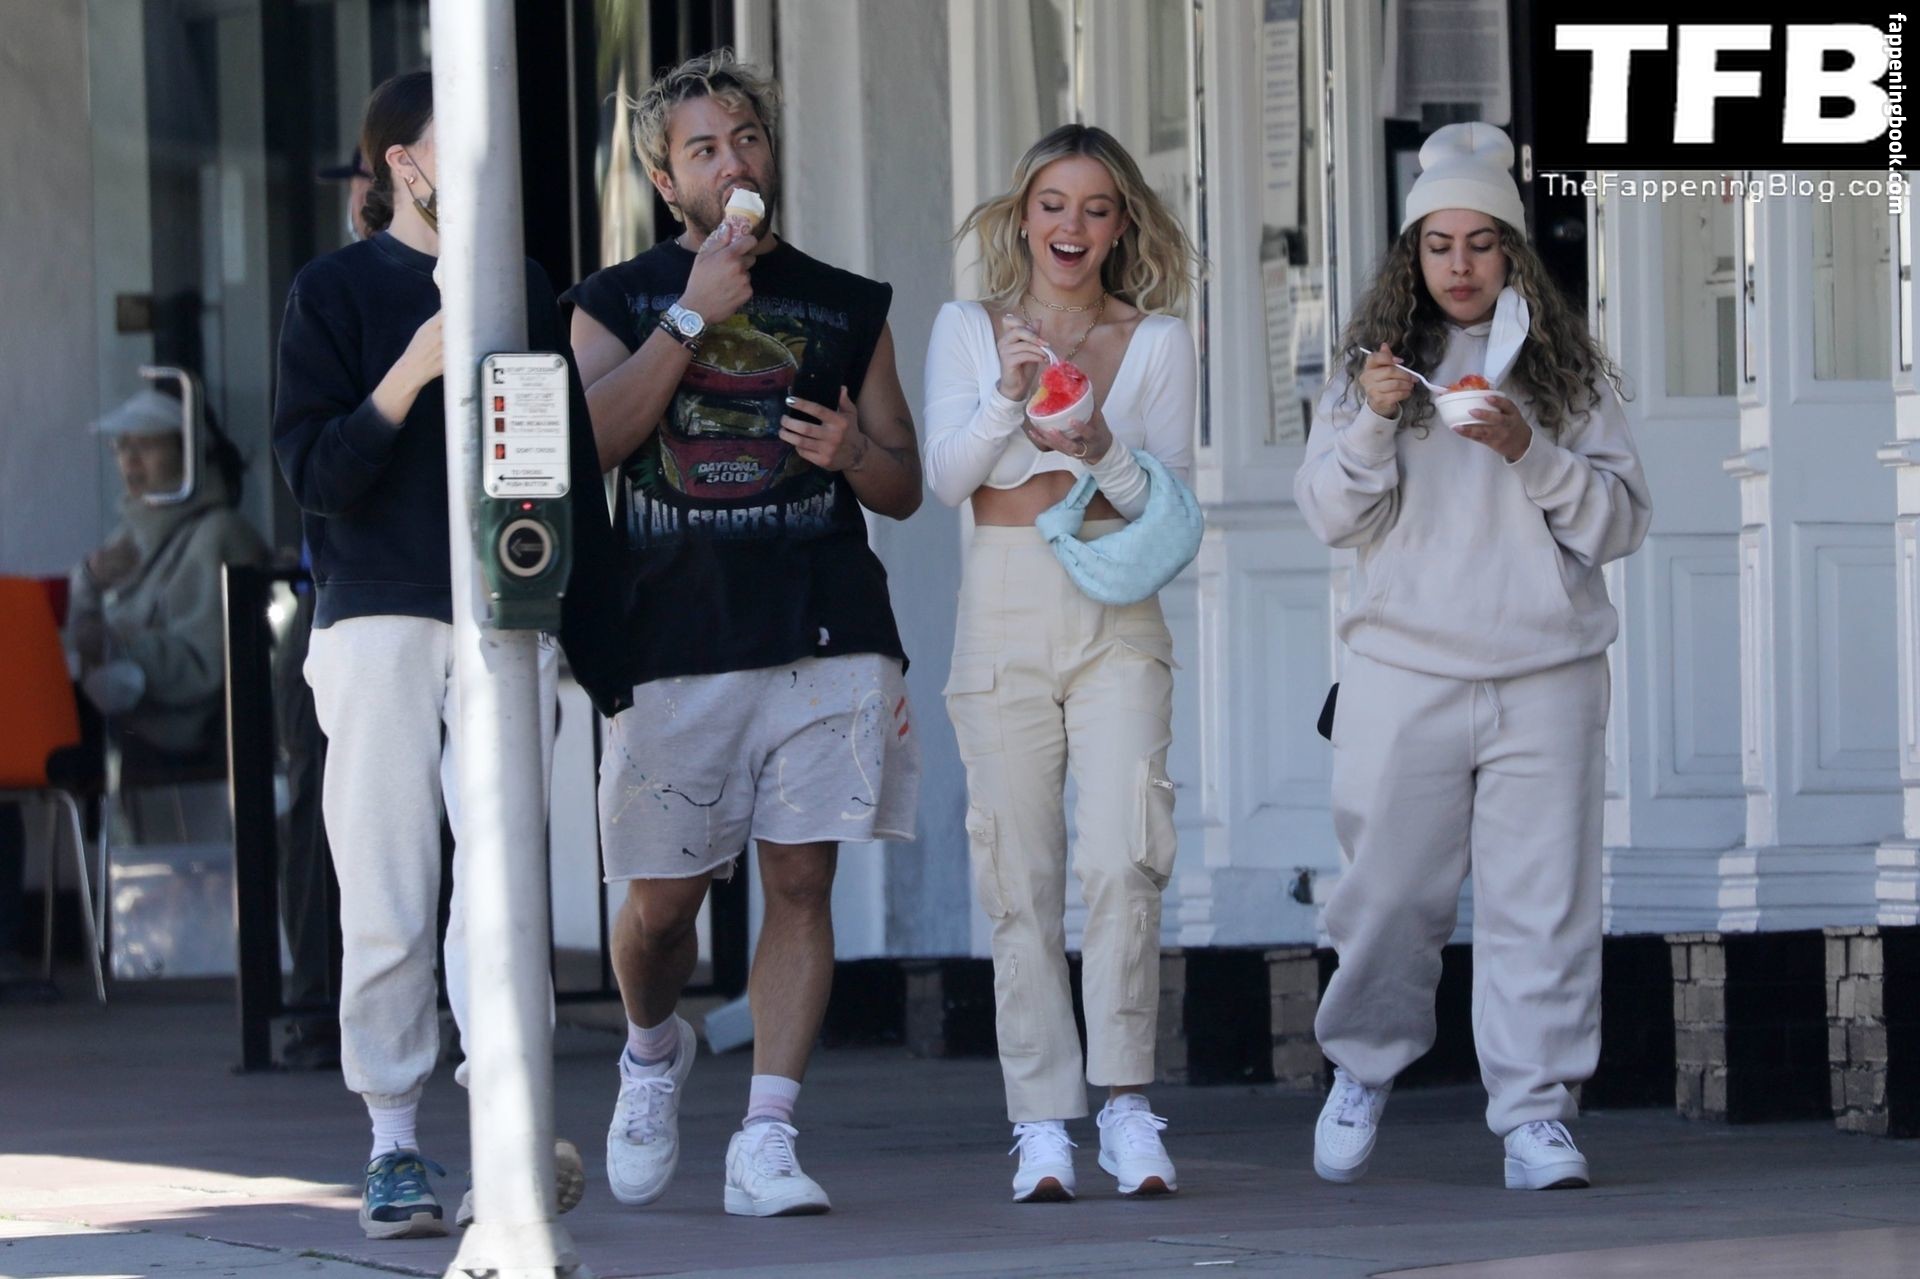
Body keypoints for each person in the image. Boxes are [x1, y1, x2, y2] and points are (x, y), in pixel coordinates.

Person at [563, 47, 922, 1218]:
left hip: (825, 624)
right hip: (671, 635)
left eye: (749, 139)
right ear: (667, 180)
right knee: (662, 907)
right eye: (705, 149)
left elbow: (904, 483)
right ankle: (651, 1049)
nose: (735, 163)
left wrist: (852, 454)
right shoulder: (614, 300)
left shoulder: (846, 300)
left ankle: (767, 1133)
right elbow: (588, 447)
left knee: (802, 881)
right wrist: (690, 313)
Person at [272, 68, 613, 1240]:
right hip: (373, 616)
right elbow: (316, 476)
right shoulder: (331, 291)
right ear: (402, 163)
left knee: (502, 885)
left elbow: (554, 464)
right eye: (451, 140)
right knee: (387, 880)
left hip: (504, 615)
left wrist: (587, 628)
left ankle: (505, 1137)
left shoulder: (519, 286)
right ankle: (391, 1140)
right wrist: (414, 368)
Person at [1293, 122, 1651, 1191]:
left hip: (1548, 669)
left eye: (1481, 243)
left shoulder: (1567, 376)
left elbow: (1620, 523)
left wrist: (1526, 449)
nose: (1460, 266)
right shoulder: (1373, 372)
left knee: (1545, 903)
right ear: (1413, 255)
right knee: (1386, 893)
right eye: (1439, 244)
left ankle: (1536, 1112)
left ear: (1512, 252)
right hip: (1403, 670)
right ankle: (1361, 1067)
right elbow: (1329, 516)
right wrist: (1373, 423)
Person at [922, 123, 1199, 1203]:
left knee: (1127, 852)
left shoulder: (1159, 341)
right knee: (1018, 871)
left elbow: (1166, 507)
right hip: (1001, 599)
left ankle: (1126, 1102)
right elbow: (950, 478)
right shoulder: (968, 328)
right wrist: (1009, 391)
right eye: (1052, 204)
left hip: (1115, 603)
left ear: (1121, 224)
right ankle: (1041, 1118)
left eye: (1094, 207)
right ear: (1022, 216)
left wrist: (1098, 445)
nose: (1070, 226)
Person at [67, 383, 267, 770]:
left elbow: (209, 667)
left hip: (194, 762)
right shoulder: (128, 535)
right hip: (128, 744)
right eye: (122, 446)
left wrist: (118, 646)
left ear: (188, 453)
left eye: (147, 445)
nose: (130, 459)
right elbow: (85, 639)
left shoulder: (220, 534)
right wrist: (88, 582)